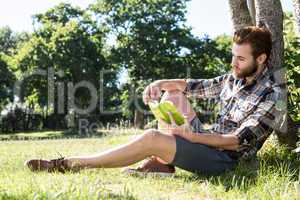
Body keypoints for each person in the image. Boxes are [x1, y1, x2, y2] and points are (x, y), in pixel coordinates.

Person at [25, 26, 282, 176]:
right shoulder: (232, 79)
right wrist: (158, 84)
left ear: (260, 59)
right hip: (208, 142)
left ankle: (68, 164)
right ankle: (163, 164)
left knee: (151, 138)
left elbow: (237, 140)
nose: (233, 63)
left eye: (240, 59)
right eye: (233, 56)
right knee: (172, 94)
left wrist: (191, 138)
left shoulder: (273, 94)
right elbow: (190, 86)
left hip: (226, 160)